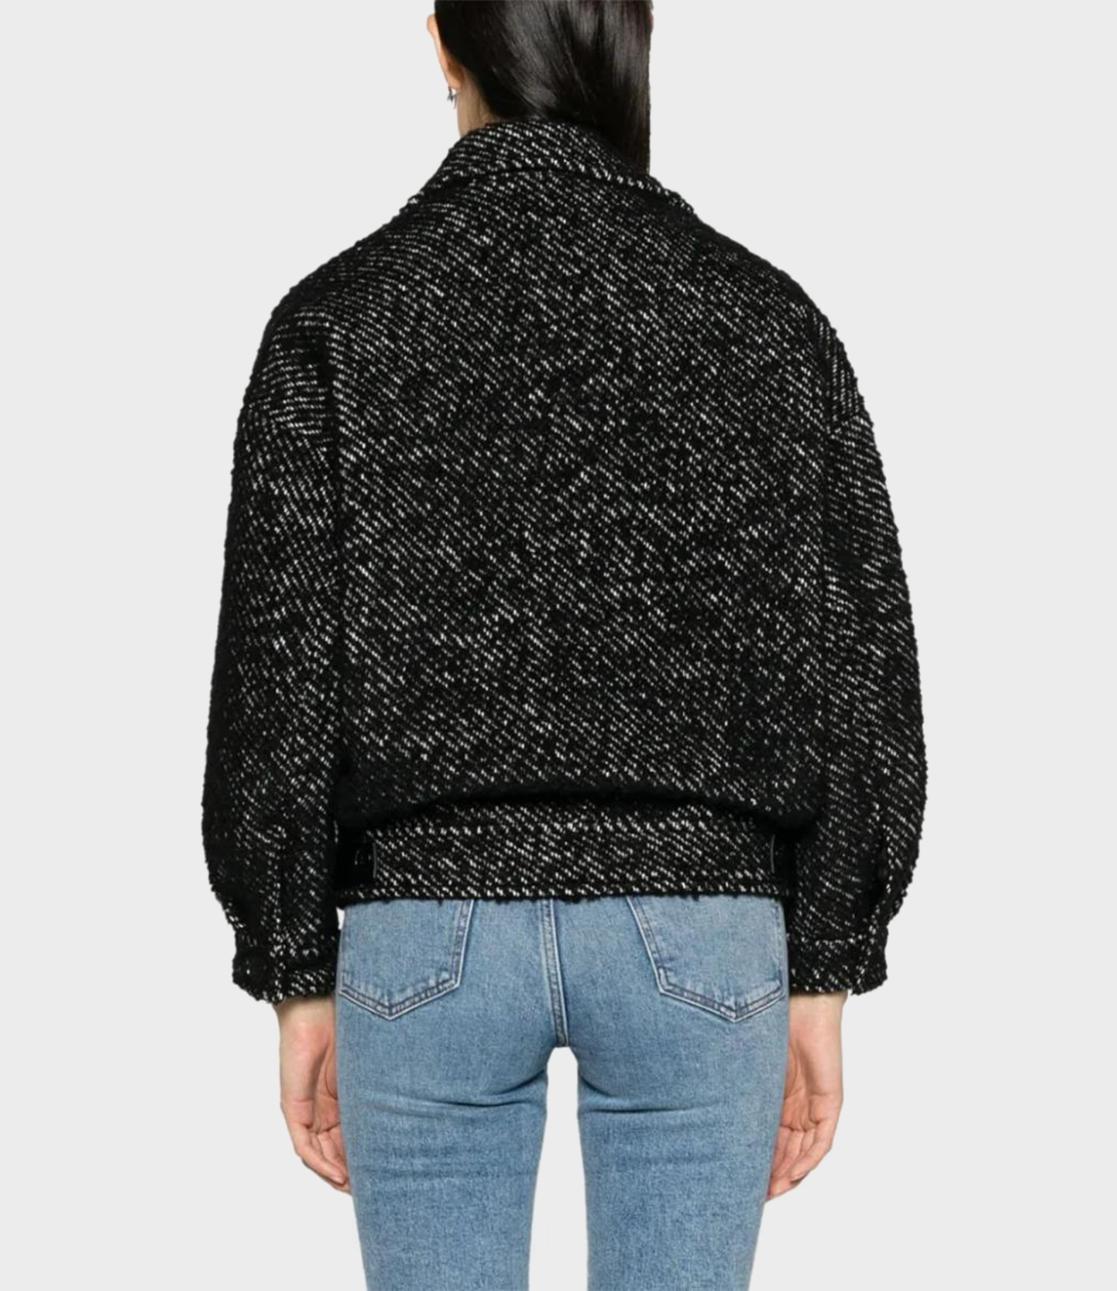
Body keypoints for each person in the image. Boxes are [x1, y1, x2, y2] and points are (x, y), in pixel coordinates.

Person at [200, 3, 928, 1287]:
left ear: (444, 45)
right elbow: (853, 664)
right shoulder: (764, 319)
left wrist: (294, 969)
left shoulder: (337, 319)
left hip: (424, 927)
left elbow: (280, 677)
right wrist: (825, 958)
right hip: (701, 930)